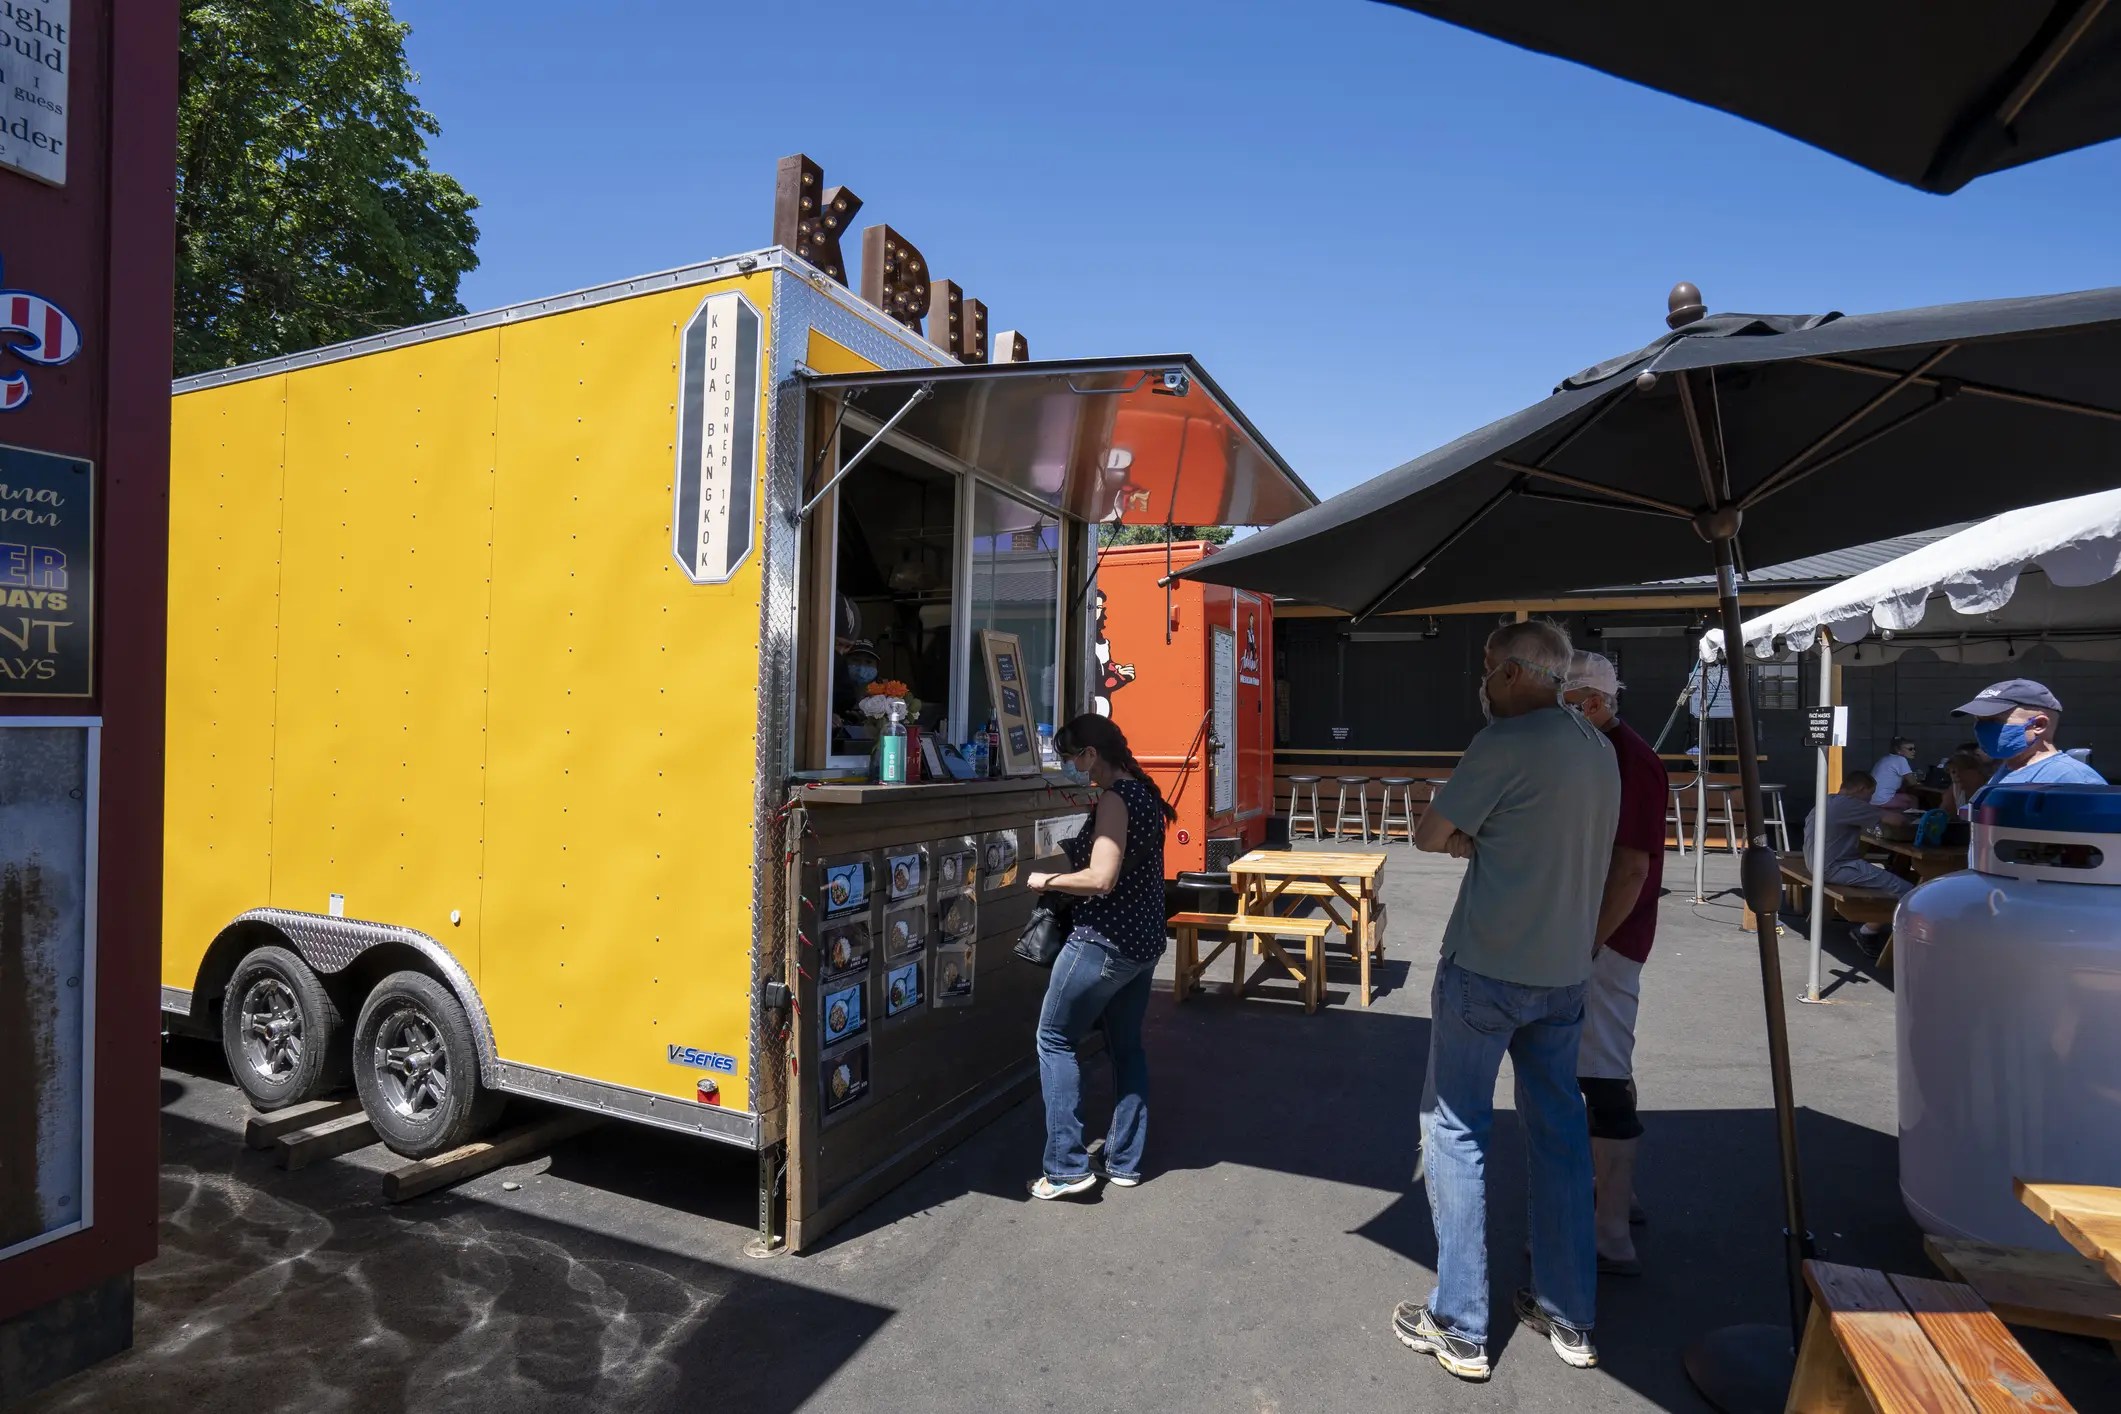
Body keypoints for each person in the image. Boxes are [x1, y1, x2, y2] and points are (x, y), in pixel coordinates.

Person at [1395, 621, 1619, 1382]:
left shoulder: (1503, 743)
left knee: (1454, 1129)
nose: (1482, 683)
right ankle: (1568, 1312)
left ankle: (1458, 1323)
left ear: (1520, 674)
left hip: (1487, 966)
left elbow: (1429, 835)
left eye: (1488, 669)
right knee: (1558, 1134)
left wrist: (1471, 842)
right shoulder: (1596, 747)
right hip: (1563, 973)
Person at [1022, 714, 1173, 1199]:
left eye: (1071, 757)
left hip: (1102, 942)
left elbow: (1101, 878)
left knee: (1054, 1039)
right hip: (1142, 944)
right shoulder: (1145, 792)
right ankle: (1125, 1161)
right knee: (1127, 1048)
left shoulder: (1114, 798)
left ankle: (1067, 1167)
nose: (1070, 766)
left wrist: (1046, 882)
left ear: (1091, 754)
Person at [1561, 652, 1662, 1278]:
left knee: (1597, 1076)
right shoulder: (1609, 751)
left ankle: (1609, 1230)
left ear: (1593, 703)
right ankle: (1617, 1198)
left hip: (1607, 942)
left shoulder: (1626, 759)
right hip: (1604, 937)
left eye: (1565, 706)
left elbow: (1629, 869)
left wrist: (1587, 944)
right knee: (1603, 1068)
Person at [1801, 770, 1909, 952]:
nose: (1870, 799)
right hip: (1835, 867)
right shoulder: (1850, 805)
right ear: (1861, 789)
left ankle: (1876, 921)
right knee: (1908, 891)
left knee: (1883, 874)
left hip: (1815, 863)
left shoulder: (1827, 800)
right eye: (1870, 794)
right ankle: (1868, 930)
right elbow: (1895, 821)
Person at [1951, 678, 2107, 790]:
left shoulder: (2072, 780)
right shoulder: (2008, 769)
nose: (1982, 728)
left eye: (1993, 720)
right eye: (1979, 720)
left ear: (2039, 725)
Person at [1868, 737, 1920, 808]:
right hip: (1883, 800)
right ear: (1898, 750)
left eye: (1914, 749)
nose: (1913, 751)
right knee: (1913, 799)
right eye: (1910, 749)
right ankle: (1913, 818)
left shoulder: (1885, 758)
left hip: (1871, 799)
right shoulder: (1900, 760)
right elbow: (1913, 782)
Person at [1945, 747, 1990, 818]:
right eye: (1953, 772)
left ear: (1976, 771)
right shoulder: (1955, 789)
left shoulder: (1988, 791)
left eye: (1962, 770)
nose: (1957, 775)